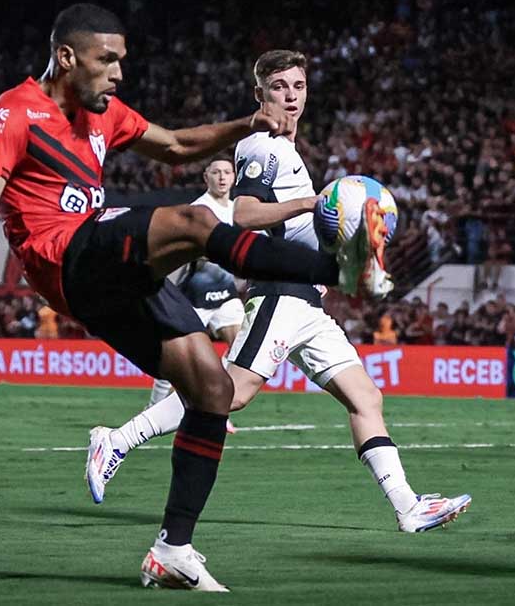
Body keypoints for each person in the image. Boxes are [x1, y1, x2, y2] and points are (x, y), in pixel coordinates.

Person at [0, 5, 386, 592]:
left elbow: (176, 145)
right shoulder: (16, 110)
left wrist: (248, 125)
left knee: (214, 391)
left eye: (121, 60)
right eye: (108, 61)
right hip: (63, 254)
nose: (119, 73)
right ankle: (339, 269)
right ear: (68, 57)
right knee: (196, 220)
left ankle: (172, 549)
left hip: (108, 281)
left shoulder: (104, 113)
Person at [86, 49, 471, 534]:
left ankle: (408, 506)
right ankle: (117, 439)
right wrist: (313, 203)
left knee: (365, 398)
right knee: (230, 393)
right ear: (259, 95)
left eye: (298, 87)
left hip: (308, 302)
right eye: (278, 87)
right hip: (279, 294)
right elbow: (243, 214)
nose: (290, 97)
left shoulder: (289, 152)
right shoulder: (261, 147)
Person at [146, 156, 244, 434]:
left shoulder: (240, 209)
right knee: (174, 357)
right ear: (206, 177)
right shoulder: (199, 209)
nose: (222, 177)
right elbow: (184, 247)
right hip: (196, 293)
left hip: (225, 293)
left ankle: (217, 411)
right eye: (216, 172)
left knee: (239, 348)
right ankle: (153, 408)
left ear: (234, 177)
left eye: (227, 172)